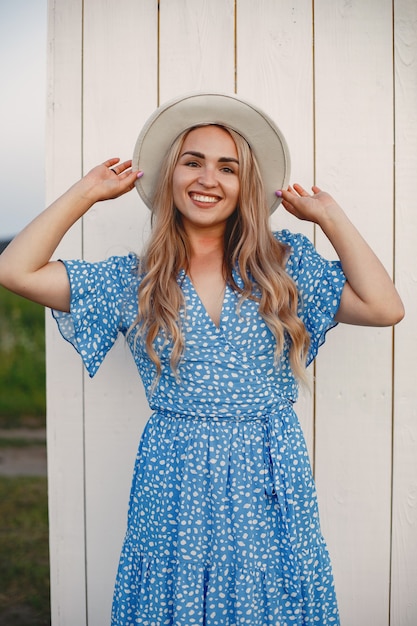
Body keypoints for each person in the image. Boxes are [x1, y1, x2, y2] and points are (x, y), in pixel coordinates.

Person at [0, 93, 404, 625]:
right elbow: (16, 271)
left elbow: (385, 306)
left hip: (268, 469)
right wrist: (87, 193)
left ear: (246, 186)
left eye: (227, 167)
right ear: (170, 176)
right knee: (176, 601)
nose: (207, 178)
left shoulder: (282, 269)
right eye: (193, 162)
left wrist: (329, 216)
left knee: (271, 600)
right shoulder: (135, 280)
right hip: (176, 473)